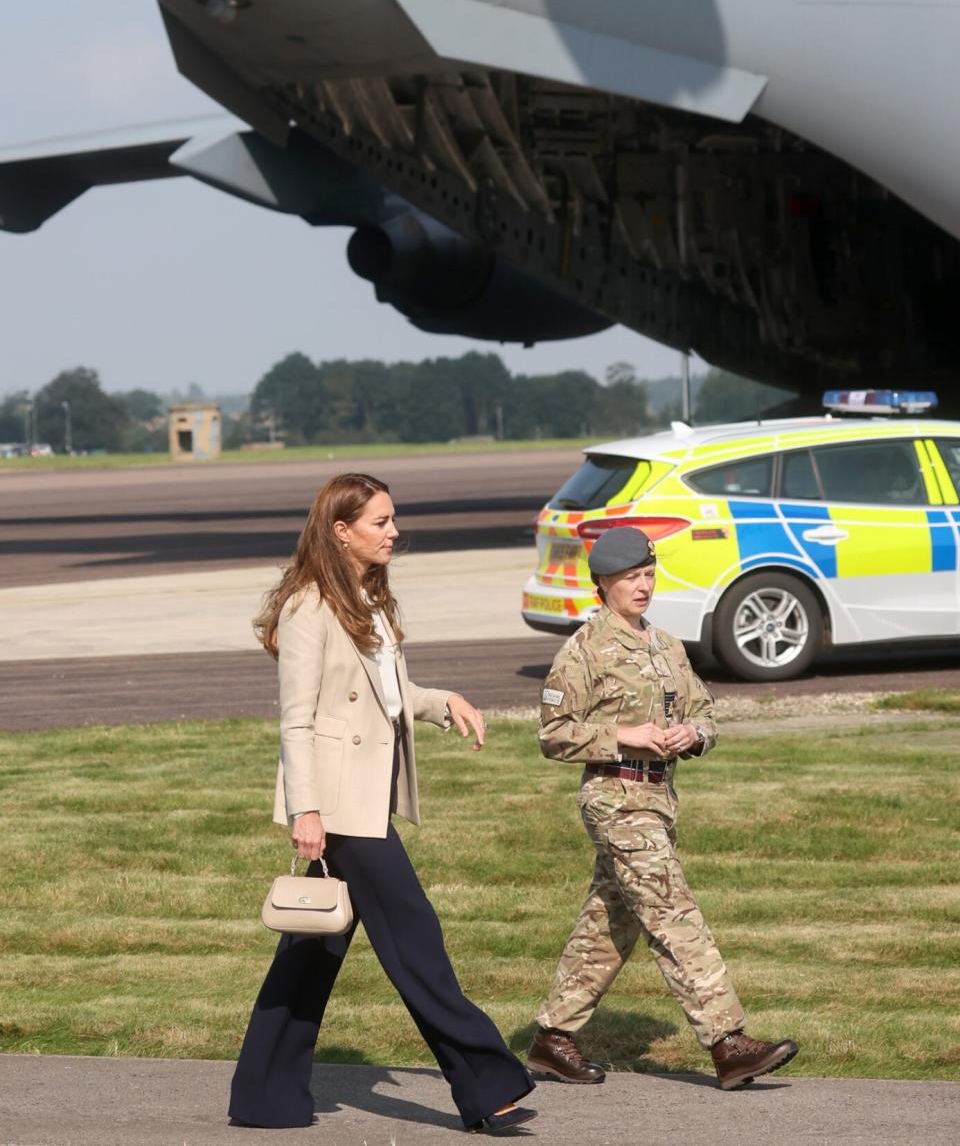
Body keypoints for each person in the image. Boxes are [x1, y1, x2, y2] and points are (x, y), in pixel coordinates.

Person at [229, 473, 536, 1133]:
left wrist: (442, 702)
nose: (394, 531)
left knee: (313, 951)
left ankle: (263, 1092)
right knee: (415, 938)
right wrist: (306, 811)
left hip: (364, 797)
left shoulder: (363, 599)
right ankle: (486, 1081)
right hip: (340, 806)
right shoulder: (309, 606)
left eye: (393, 519)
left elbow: (390, 692)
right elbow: (297, 719)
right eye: (380, 521)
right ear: (341, 530)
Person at [525, 526, 798, 1092]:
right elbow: (553, 735)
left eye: (648, 575)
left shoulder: (666, 645)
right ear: (603, 584)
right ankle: (728, 1042)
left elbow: (705, 712)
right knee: (673, 913)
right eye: (631, 578)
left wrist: (692, 735)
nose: (643, 586)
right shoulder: (582, 651)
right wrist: (625, 735)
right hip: (615, 798)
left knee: (612, 921)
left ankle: (553, 1038)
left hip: (659, 798)